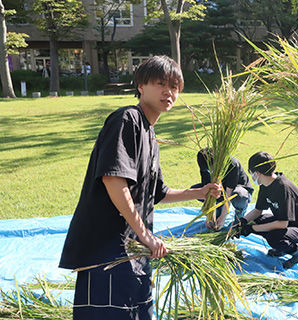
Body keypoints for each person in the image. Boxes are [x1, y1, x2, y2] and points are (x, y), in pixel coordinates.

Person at [59, 55, 221, 320]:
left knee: (139, 312)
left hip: (133, 249)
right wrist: (145, 235)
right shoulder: (127, 120)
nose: (168, 92)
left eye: (175, 87)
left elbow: (159, 194)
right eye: (160, 84)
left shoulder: (150, 136)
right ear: (141, 86)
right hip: (107, 250)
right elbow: (113, 179)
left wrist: (201, 192)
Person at [235, 151, 298, 269]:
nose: (252, 176)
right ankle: (283, 248)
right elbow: (258, 211)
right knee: (258, 220)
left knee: (274, 237)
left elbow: (283, 224)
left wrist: (251, 228)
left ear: (257, 173)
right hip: (287, 223)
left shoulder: (282, 187)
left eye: (251, 173)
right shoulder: (264, 185)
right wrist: (242, 222)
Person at [193, 147, 253, 230]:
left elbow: (229, 193)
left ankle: (240, 214)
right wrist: (210, 213)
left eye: (211, 168)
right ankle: (218, 208)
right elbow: (208, 188)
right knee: (194, 191)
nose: (210, 171)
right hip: (220, 192)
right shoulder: (204, 164)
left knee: (238, 195)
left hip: (238, 192)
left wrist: (223, 217)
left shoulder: (231, 164)